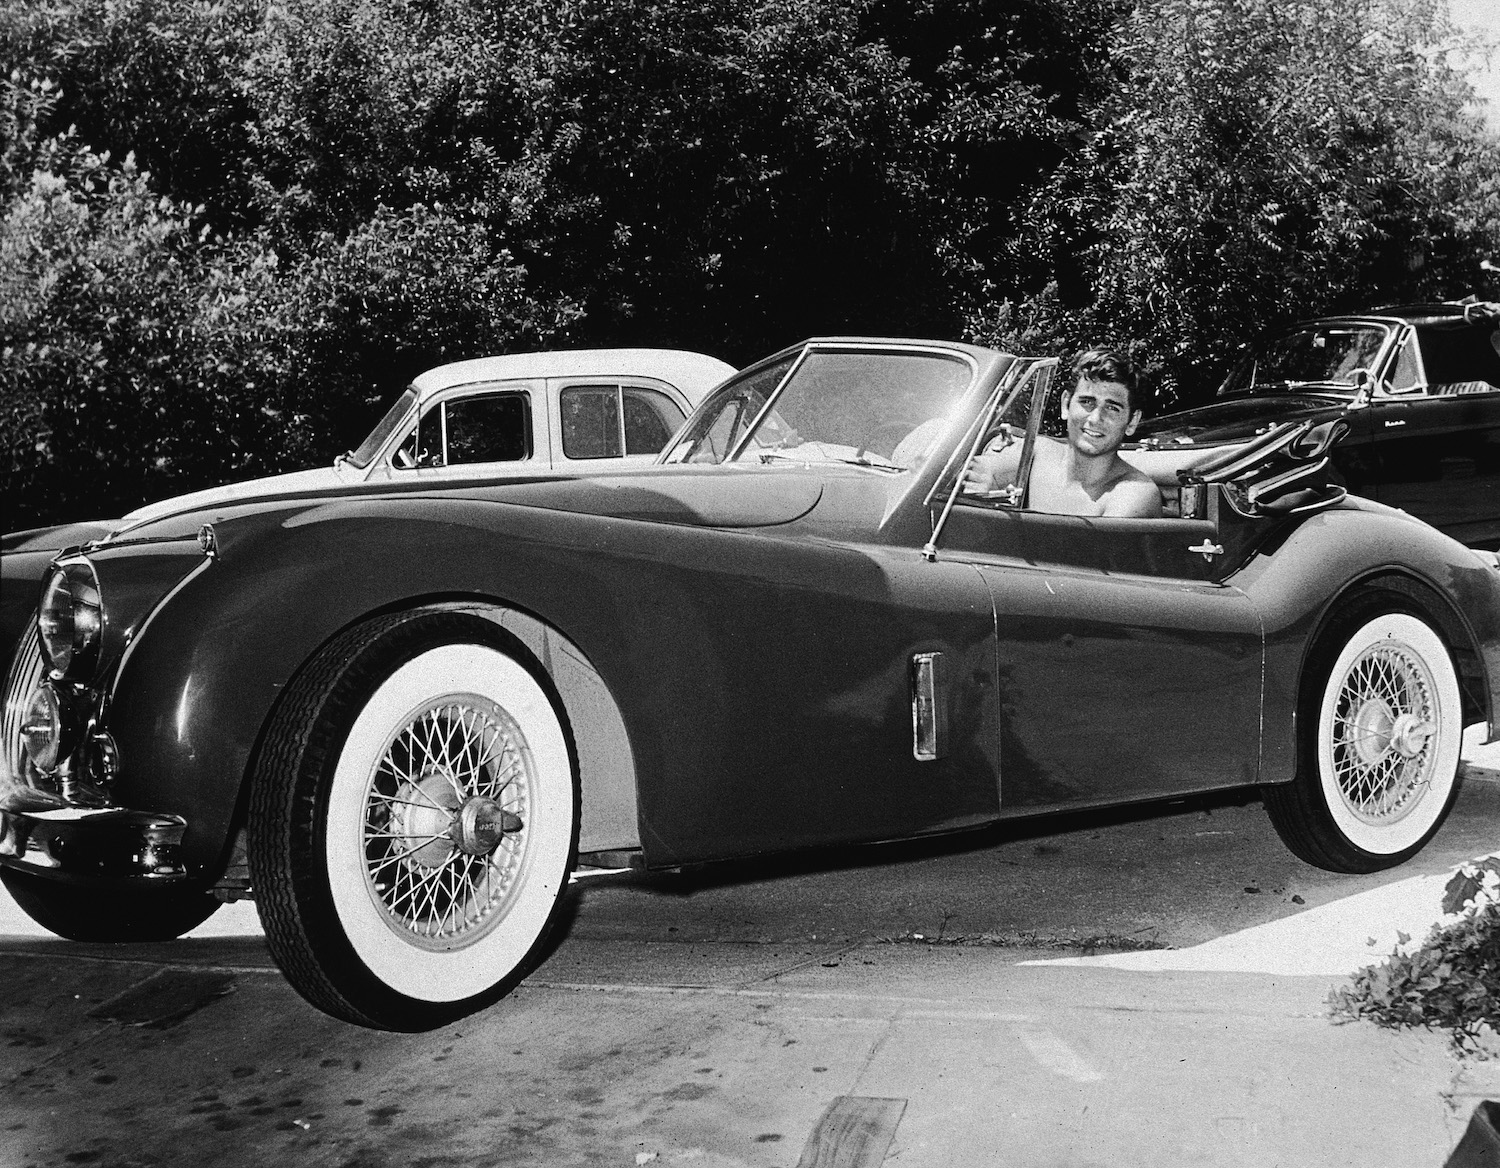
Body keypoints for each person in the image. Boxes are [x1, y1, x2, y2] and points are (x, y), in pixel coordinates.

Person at [963, 348, 1162, 518]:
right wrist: (981, 482)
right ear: (1066, 404)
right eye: (1086, 402)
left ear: (1132, 421)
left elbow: (1086, 557)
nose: (1095, 418)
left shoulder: (1134, 493)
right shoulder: (1037, 453)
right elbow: (979, 469)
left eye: (1112, 408)